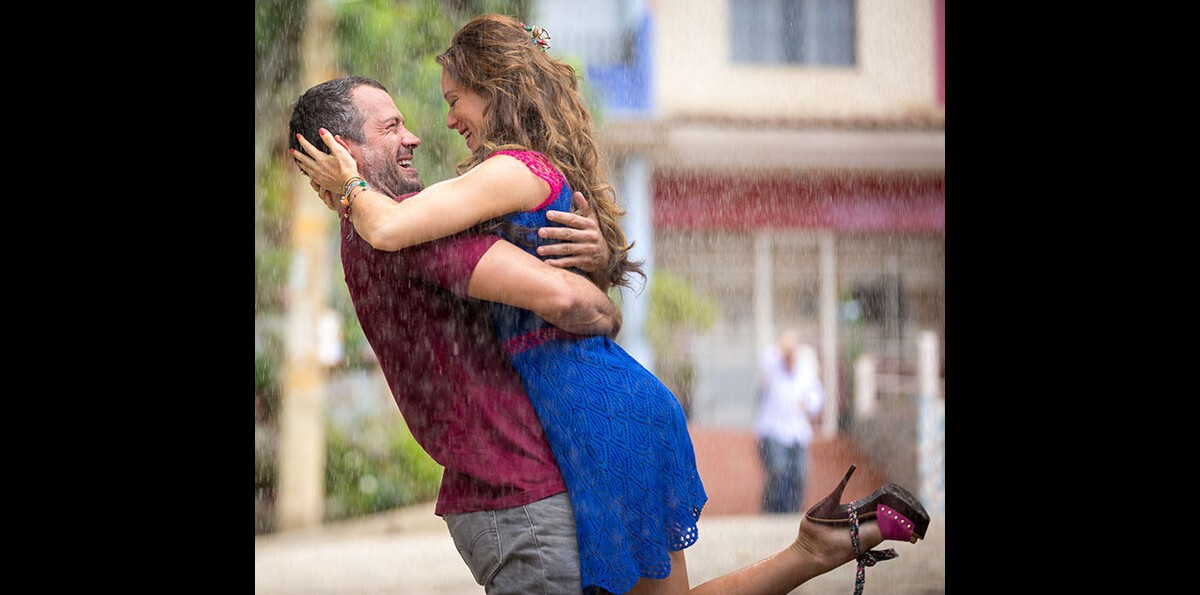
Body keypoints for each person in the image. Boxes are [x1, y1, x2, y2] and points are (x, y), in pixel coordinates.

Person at [291, 14, 930, 595]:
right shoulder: (411, 224)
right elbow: (405, 234)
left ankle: (816, 549)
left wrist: (346, 185)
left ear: (495, 89)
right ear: (338, 143)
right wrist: (352, 186)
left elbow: (566, 297)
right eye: (393, 125)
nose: (432, 129)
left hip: (585, 415)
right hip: (588, 415)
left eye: (452, 101)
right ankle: (817, 548)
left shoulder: (474, 189)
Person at [288, 75, 620, 594]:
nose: (414, 136)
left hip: (502, 493)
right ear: (340, 149)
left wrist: (596, 258)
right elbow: (568, 301)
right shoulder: (399, 236)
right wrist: (606, 306)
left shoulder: (370, 229)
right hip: (518, 497)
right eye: (391, 126)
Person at [754, 330, 825, 514]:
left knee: (799, 476)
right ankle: (772, 510)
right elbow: (766, 357)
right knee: (778, 471)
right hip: (774, 431)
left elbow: (817, 398)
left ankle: (792, 514)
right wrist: (784, 346)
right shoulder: (773, 367)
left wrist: (807, 403)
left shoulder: (805, 371)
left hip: (797, 433)